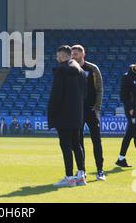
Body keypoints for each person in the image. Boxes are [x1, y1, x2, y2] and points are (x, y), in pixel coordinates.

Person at [48, 45, 87, 188]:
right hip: (77, 114)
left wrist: (51, 112)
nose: (57, 59)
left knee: (65, 145)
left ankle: (69, 177)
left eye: (58, 56)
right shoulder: (82, 72)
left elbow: (56, 95)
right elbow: (84, 94)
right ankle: (81, 175)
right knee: (77, 144)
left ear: (63, 56)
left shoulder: (61, 71)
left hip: (63, 115)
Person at [71, 45, 106, 181]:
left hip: (91, 110)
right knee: (78, 142)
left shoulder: (93, 69)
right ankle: (82, 171)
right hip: (76, 112)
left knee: (96, 141)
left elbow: (99, 89)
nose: (74, 56)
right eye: (73, 54)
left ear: (83, 54)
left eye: (77, 53)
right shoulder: (69, 70)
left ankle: (100, 170)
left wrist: (97, 107)